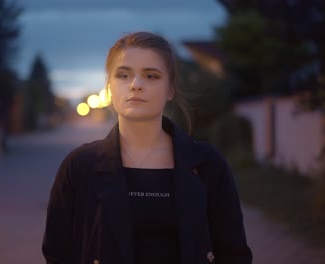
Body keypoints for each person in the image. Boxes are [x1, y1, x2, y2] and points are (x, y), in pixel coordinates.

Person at [42, 31, 252, 264]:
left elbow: (234, 254)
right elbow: (57, 254)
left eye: (151, 76)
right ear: (110, 88)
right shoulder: (80, 167)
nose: (136, 85)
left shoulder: (207, 164)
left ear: (170, 89)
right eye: (123, 75)